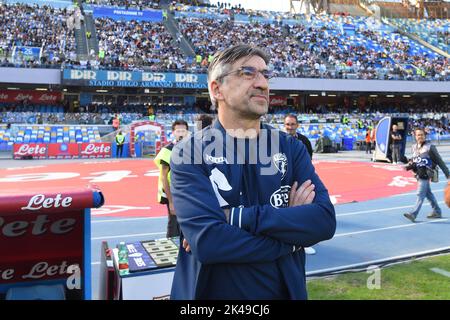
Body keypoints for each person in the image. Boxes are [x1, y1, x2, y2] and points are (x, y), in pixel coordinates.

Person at [169, 45, 336, 300]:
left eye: (265, 75)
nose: (263, 84)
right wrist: (292, 238)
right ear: (217, 89)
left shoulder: (291, 148)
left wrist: (234, 218)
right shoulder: (188, 153)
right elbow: (209, 243)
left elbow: (323, 221)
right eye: (248, 73)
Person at [284, 114, 316, 255]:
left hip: (301, 182)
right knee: (287, 213)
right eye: (287, 124)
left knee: (304, 212)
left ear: (297, 125)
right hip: (284, 183)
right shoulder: (277, 141)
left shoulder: (304, 141)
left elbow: (309, 161)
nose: (290, 127)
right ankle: (287, 242)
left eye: (292, 124)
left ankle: (304, 243)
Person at [403, 128, 449, 223]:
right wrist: (409, 165)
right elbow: (415, 160)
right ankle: (437, 211)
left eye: (422, 135)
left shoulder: (430, 147)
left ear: (425, 135)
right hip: (418, 174)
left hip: (426, 174)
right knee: (428, 194)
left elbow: (440, 161)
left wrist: (448, 174)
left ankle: (413, 213)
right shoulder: (414, 147)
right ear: (415, 136)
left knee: (420, 194)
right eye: (418, 135)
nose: (420, 136)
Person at [154, 120, 189, 238]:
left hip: (186, 193)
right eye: (178, 130)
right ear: (173, 133)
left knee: (187, 226)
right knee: (173, 227)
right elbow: (164, 176)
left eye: (183, 130)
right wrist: (171, 202)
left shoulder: (190, 149)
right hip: (172, 194)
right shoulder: (167, 150)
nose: (180, 133)